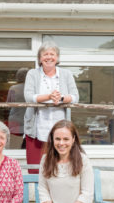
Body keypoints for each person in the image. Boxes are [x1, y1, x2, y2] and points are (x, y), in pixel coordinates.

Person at [24, 41, 79, 173]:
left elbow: (75, 97)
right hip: (37, 128)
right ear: (40, 59)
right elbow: (28, 97)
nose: (49, 57)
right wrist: (49, 96)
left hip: (60, 127)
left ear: (57, 58)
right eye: (45, 54)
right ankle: (38, 193)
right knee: (36, 169)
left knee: (60, 168)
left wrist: (60, 98)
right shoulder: (32, 74)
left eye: (52, 54)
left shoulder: (66, 74)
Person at [7, 67, 29, 144]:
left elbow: (8, 104)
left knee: (14, 143)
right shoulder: (31, 89)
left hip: (15, 119)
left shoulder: (13, 88)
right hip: (28, 119)